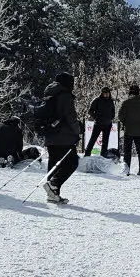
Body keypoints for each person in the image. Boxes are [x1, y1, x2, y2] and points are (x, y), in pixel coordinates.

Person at [38, 72, 83, 203]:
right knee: (72, 162)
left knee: (54, 164)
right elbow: (71, 117)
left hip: (50, 135)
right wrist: (78, 131)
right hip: (64, 137)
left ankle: (52, 193)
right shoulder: (65, 96)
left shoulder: (50, 93)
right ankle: (54, 185)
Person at [118, 84, 140, 175]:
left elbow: (120, 116)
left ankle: (127, 170)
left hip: (128, 129)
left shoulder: (126, 102)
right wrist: (139, 120)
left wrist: (126, 122)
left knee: (127, 151)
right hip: (139, 130)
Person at [85, 86, 116, 156]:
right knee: (93, 140)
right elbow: (90, 111)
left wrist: (111, 117)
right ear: (102, 93)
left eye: (107, 93)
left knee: (105, 142)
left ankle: (103, 155)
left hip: (108, 124)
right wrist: (96, 117)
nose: (106, 94)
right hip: (98, 124)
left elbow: (113, 111)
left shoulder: (111, 101)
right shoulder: (97, 100)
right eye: (105, 93)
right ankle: (87, 154)